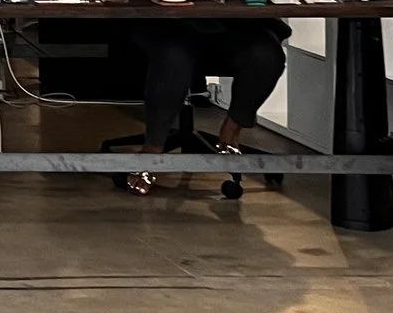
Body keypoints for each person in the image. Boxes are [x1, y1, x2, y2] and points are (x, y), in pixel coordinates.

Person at [120, 18, 289, 196]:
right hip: (167, 21)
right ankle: (152, 150)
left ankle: (231, 132)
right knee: (174, 55)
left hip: (232, 22)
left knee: (267, 54)